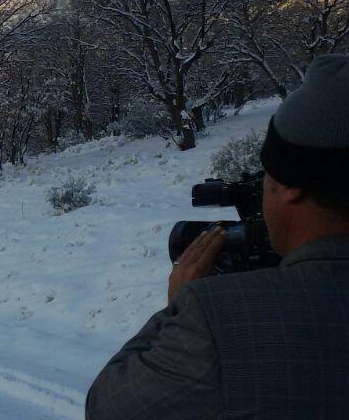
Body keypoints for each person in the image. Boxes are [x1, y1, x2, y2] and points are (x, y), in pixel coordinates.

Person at [86, 54, 349, 420]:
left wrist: (177, 308)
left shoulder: (219, 321)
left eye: (267, 177)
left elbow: (109, 408)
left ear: (291, 186)